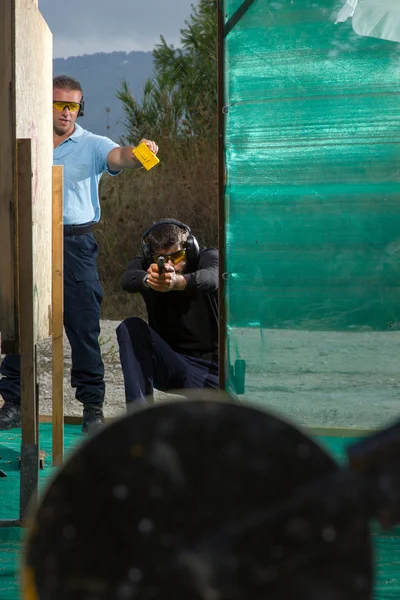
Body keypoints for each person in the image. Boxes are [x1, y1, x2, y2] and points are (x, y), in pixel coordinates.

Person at [0, 75, 159, 433]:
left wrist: (141, 151)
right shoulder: (26, 136)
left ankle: (92, 409)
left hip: (75, 242)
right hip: (27, 238)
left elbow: (121, 156)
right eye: (59, 104)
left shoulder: (92, 144)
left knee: (84, 327)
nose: (66, 112)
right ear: (47, 104)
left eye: (73, 105)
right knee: (20, 322)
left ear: (79, 108)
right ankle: (13, 402)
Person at [116, 219, 219, 404]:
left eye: (177, 257)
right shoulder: (146, 265)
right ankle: (140, 419)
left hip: (210, 369)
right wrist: (148, 279)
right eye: (162, 259)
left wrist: (180, 282)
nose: (171, 265)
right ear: (151, 257)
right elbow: (127, 279)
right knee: (130, 327)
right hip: (171, 363)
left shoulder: (207, 256)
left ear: (190, 249)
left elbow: (213, 277)